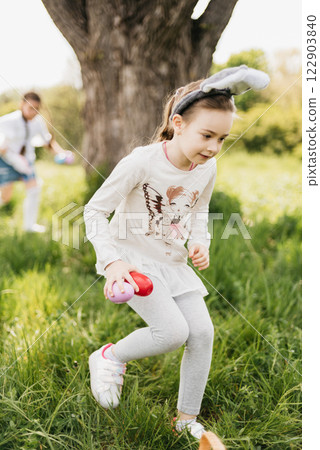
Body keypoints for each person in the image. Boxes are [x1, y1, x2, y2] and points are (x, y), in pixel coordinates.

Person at [84, 65, 269, 440]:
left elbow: (199, 210)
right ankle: (109, 357)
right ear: (178, 123)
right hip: (131, 260)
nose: (214, 147)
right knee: (171, 332)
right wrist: (112, 261)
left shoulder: (207, 167)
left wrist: (201, 242)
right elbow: (94, 211)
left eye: (222, 138)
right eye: (207, 135)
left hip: (171, 260)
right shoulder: (142, 161)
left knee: (201, 332)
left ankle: (185, 419)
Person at [0, 92, 67, 232]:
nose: (33, 112)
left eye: (36, 108)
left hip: (27, 162)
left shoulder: (38, 122)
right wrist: (14, 159)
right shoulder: (8, 121)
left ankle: (29, 227)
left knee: (34, 189)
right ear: (22, 105)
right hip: (7, 161)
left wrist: (62, 153)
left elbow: (47, 143)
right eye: (30, 108)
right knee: (5, 197)